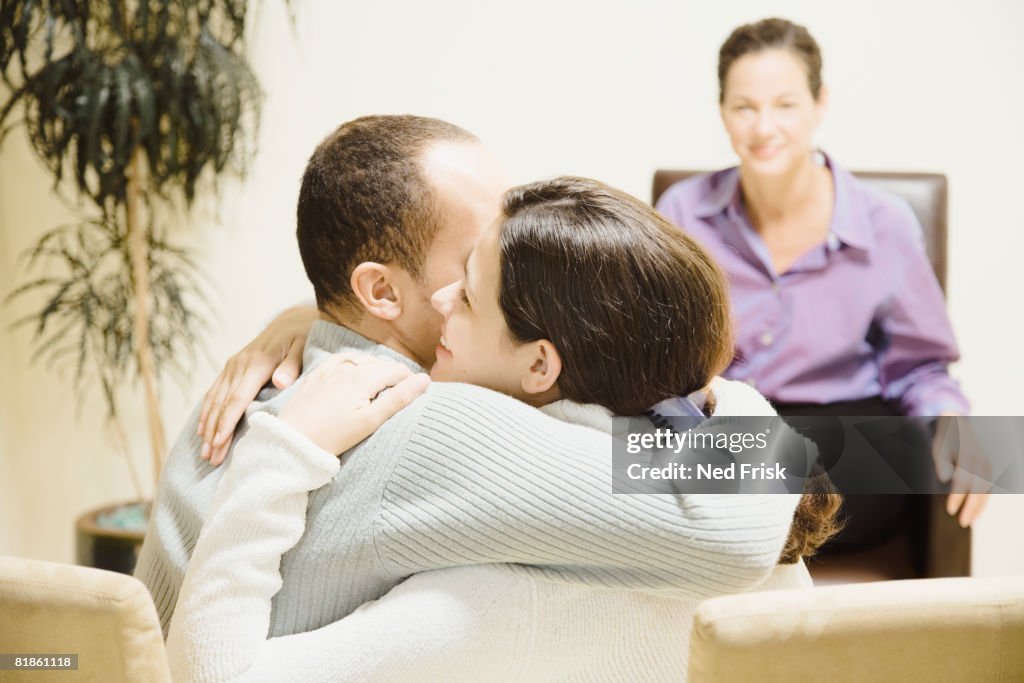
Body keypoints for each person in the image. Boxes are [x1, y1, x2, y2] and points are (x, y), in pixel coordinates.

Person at [136, 116, 804, 647]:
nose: (512, 257)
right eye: (480, 253)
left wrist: (303, 316)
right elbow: (728, 524)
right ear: (379, 290)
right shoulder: (434, 423)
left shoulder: (247, 391)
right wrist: (717, 387)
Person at [653, 17, 985, 543]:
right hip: (723, 428)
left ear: (819, 103)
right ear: (722, 113)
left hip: (842, 442)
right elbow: (656, 353)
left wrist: (953, 419)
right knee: (631, 453)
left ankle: (745, 531)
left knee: (869, 460)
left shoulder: (886, 223)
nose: (764, 127)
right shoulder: (681, 213)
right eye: (744, 107)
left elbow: (920, 367)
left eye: (785, 105)